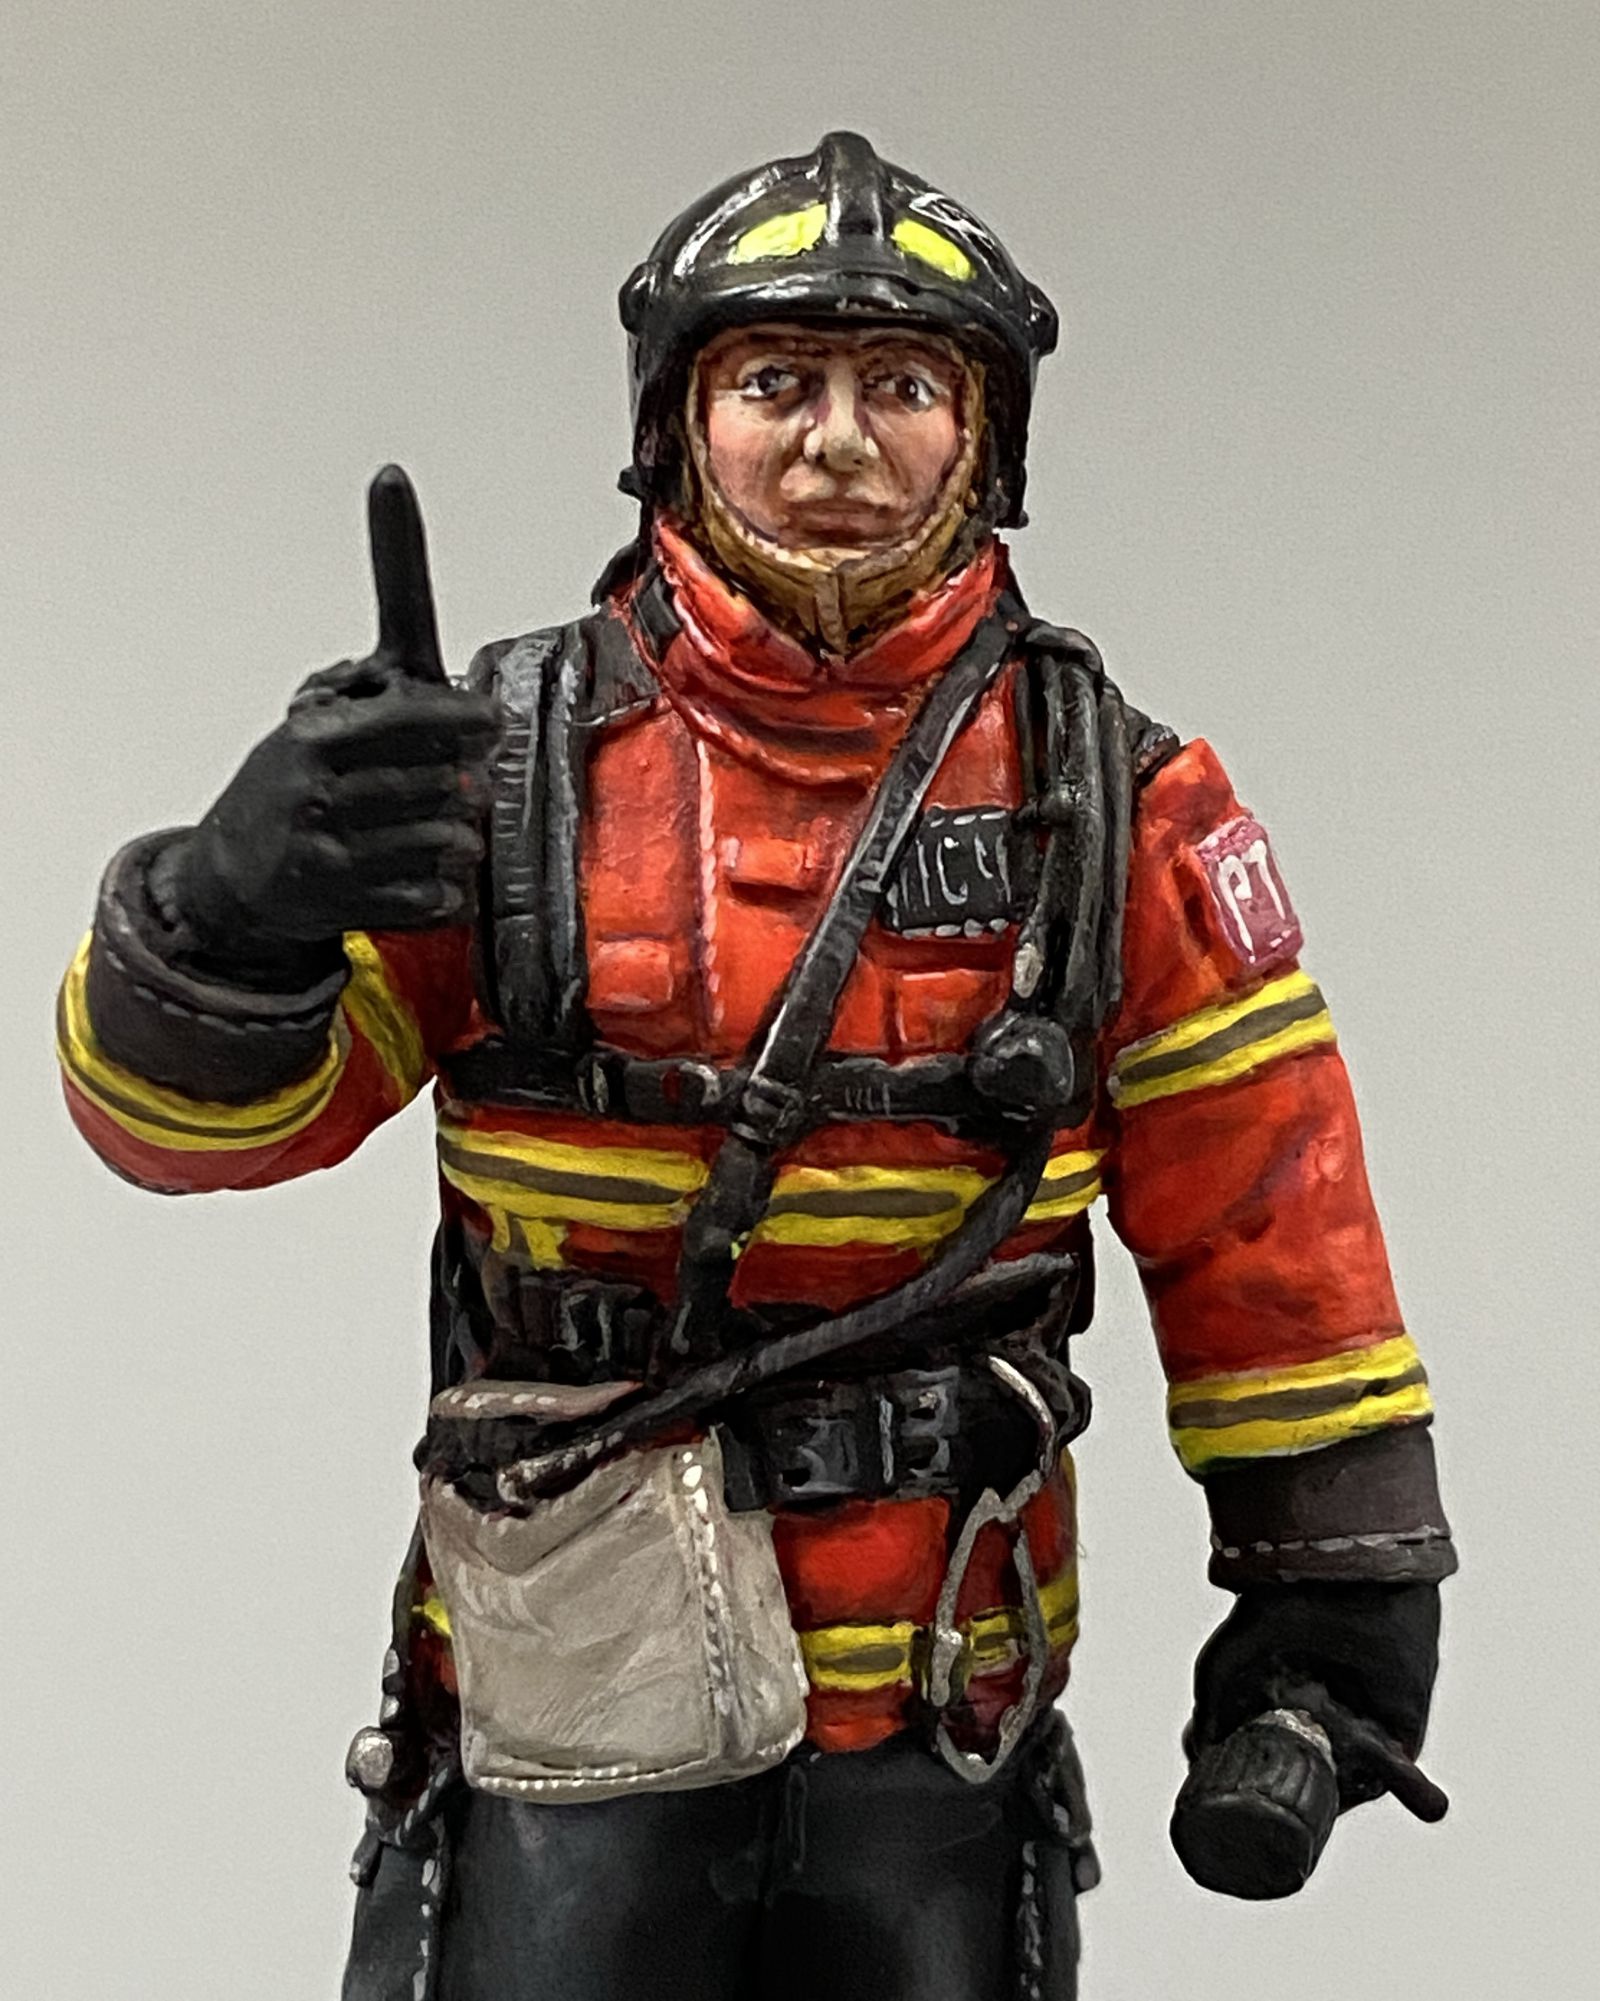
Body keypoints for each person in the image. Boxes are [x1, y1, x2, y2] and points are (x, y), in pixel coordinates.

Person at [58, 133, 1455, 2001]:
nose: (838, 442)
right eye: (778, 382)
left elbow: (1271, 1222)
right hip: (570, 1680)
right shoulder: (496, 773)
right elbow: (179, 1133)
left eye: (903, 389)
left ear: (987, 439)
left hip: (942, 1696)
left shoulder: (1115, 802)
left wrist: (1335, 1618)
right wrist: (229, 914)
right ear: (675, 425)